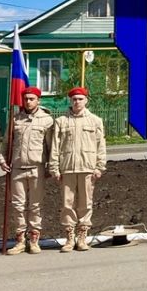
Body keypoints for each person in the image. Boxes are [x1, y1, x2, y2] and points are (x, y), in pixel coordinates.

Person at [47, 87, 106, 252]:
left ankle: (82, 237)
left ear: (86, 100)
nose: (77, 102)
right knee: (67, 204)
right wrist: (54, 168)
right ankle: (69, 237)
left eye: (80, 99)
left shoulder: (95, 121)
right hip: (67, 168)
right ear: (70, 101)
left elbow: (101, 145)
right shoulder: (61, 121)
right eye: (74, 99)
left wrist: (100, 166)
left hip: (87, 167)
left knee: (85, 203)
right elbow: (55, 147)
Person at [0, 86, 54, 255]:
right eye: (26, 99)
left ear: (38, 100)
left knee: (35, 206)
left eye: (32, 99)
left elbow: (52, 146)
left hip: (37, 168)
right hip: (17, 167)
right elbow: (6, 143)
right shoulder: (15, 119)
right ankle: (20, 240)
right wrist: (1, 159)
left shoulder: (47, 120)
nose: (28, 102)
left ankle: (34, 239)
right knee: (18, 206)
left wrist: (51, 166)